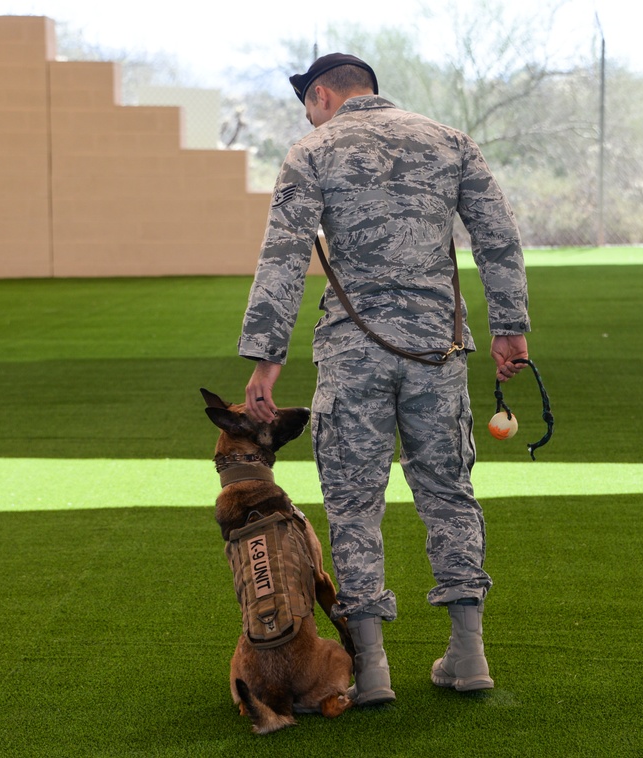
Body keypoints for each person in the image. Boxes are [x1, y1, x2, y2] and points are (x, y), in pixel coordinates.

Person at [238, 53, 530, 704]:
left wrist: (266, 357)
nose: (309, 118)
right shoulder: (450, 141)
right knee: (449, 494)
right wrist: (510, 328)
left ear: (321, 95)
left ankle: (371, 668)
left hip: (353, 353)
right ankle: (468, 653)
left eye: (307, 106)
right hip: (437, 351)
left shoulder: (313, 150)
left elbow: (283, 254)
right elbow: (497, 238)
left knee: (353, 503)